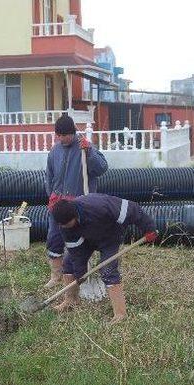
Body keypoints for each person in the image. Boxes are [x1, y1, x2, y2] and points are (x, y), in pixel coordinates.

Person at [50, 193, 158, 325]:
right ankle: (71, 301)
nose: (63, 227)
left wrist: (149, 228)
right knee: (68, 265)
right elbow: (75, 252)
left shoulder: (98, 206)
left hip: (110, 236)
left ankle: (120, 314)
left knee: (108, 271)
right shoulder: (65, 226)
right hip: (87, 238)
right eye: (61, 225)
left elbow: (132, 209)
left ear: (74, 217)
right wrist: (80, 274)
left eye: (66, 224)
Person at [44, 115, 108, 289]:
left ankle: (83, 273)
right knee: (54, 238)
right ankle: (55, 275)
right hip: (58, 204)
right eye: (59, 135)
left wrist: (90, 153)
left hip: (79, 205)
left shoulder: (84, 148)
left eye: (65, 135)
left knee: (81, 240)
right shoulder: (55, 151)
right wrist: (51, 195)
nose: (62, 138)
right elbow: (49, 176)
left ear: (72, 132)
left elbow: (102, 168)